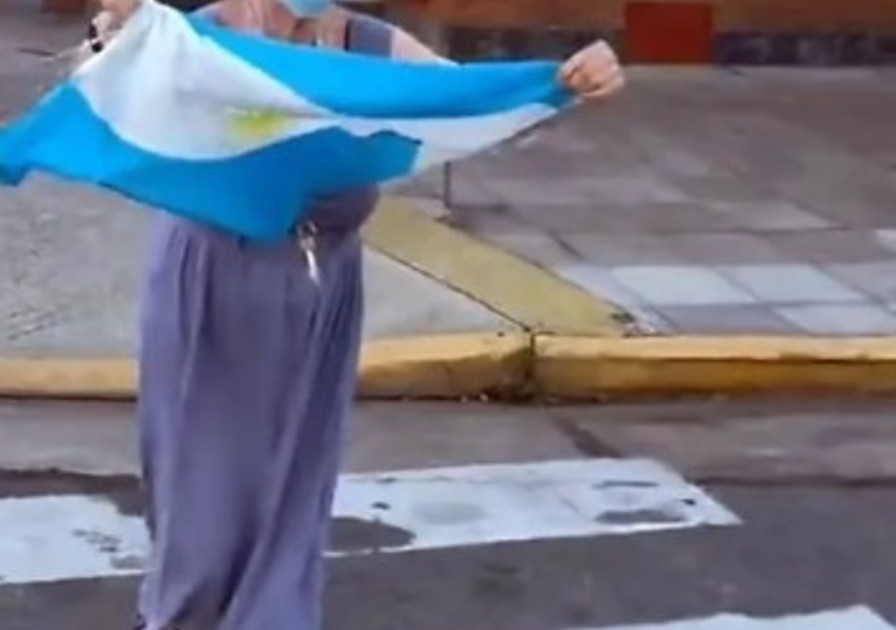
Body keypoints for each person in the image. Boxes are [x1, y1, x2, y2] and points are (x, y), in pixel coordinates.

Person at [87, 1, 624, 628]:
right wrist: (113, 41)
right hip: (212, 280)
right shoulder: (202, 38)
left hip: (323, 285)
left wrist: (567, 83)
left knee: (294, 477)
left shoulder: (370, 45)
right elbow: (113, 90)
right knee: (202, 482)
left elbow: (473, 103)